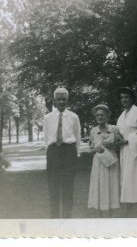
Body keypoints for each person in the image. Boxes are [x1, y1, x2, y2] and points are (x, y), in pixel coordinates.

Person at [43, 87, 81, 218]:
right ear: (54, 100)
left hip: (69, 151)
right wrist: (49, 152)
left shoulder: (74, 117)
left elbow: (77, 136)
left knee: (68, 185)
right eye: (59, 99)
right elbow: (46, 137)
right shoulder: (48, 118)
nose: (61, 102)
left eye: (64, 99)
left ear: (67, 100)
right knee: (53, 186)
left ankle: (66, 218)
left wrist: (75, 154)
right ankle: (54, 217)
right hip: (54, 151)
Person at [115, 87, 137, 217]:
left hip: (134, 150)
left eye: (126, 97)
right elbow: (118, 134)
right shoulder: (121, 116)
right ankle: (129, 211)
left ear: (132, 98)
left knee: (134, 179)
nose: (124, 100)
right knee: (125, 180)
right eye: (122, 97)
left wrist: (127, 141)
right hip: (124, 151)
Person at [87, 104, 121, 217]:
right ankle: (100, 216)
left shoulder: (114, 129)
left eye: (102, 115)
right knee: (99, 186)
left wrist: (112, 145)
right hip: (98, 163)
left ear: (107, 116)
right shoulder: (93, 131)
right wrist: (94, 149)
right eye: (97, 115)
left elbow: (120, 146)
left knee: (111, 186)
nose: (100, 117)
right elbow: (90, 148)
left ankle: (111, 216)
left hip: (111, 162)